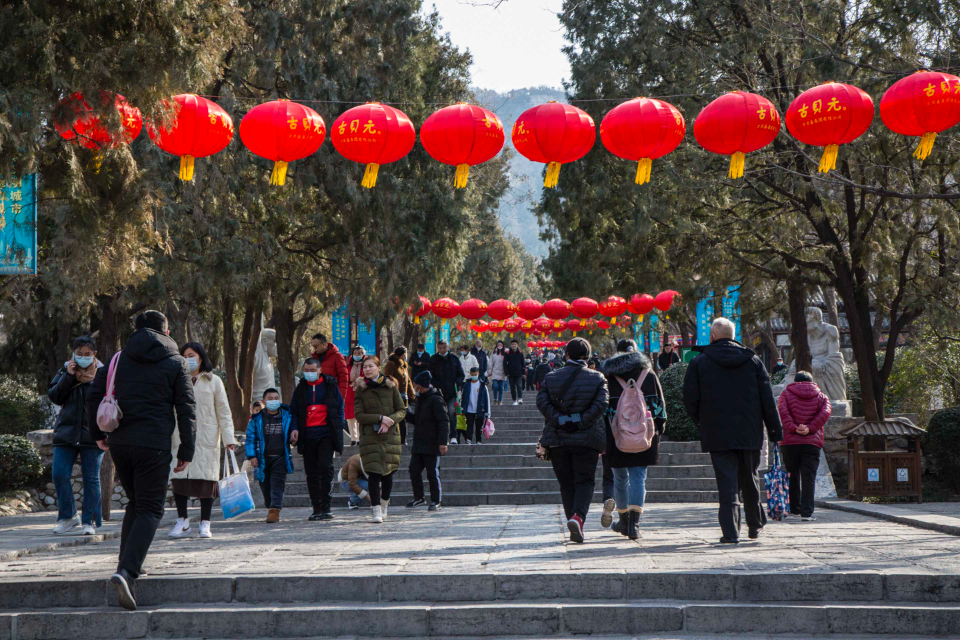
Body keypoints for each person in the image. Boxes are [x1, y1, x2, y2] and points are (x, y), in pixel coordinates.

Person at [85, 310, 196, 611]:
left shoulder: (118, 359)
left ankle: (127, 563)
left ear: (136, 330)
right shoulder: (176, 362)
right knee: (150, 508)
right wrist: (187, 449)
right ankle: (127, 572)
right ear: (166, 331)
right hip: (154, 445)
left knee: (136, 503)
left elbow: (94, 395)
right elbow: (186, 407)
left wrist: (98, 433)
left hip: (120, 442)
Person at [682, 318, 782, 544]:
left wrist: (701, 420)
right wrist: (775, 431)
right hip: (749, 430)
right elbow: (767, 399)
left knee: (726, 482)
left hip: (716, 430)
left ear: (712, 336)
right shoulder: (754, 361)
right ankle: (755, 525)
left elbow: (690, 398)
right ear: (733, 335)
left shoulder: (700, 362)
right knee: (750, 476)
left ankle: (730, 532)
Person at [537, 338, 609, 544]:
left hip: (558, 438)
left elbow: (541, 401)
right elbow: (601, 403)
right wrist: (580, 421)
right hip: (586, 438)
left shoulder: (551, 377)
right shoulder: (598, 378)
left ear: (567, 355)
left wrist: (560, 419)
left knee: (566, 484)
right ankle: (578, 517)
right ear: (587, 357)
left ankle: (573, 521)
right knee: (585, 481)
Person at [168, 342, 236, 540]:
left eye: (191, 355)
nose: (188, 359)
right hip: (180, 436)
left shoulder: (213, 381)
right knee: (180, 480)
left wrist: (229, 438)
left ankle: (205, 523)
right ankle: (183, 522)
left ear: (200, 357)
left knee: (206, 483)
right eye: (184, 355)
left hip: (207, 437)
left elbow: (224, 412)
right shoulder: (176, 380)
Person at [601, 339, 667, 540]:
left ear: (617, 353)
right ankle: (634, 524)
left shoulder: (609, 375)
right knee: (639, 477)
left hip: (616, 435)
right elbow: (660, 406)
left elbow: (603, 405)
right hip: (644, 434)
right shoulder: (648, 373)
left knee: (620, 478)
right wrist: (659, 428)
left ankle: (623, 519)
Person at [49, 335, 104, 536]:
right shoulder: (65, 370)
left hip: (94, 433)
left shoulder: (103, 373)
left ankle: (89, 521)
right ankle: (68, 516)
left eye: (87, 354)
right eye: (79, 354)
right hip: (66, 432)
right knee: (59, 474)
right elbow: (55, 396)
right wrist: (69, 376)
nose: (83, 357)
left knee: (91, 479)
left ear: (94, 354)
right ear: (73, 354)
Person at [290, 357, 344, 521]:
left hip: (326, 434)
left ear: (320, 370)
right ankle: (316, 508)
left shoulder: (330, 386)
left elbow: (340, 407)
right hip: (308, 436)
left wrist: (339, 424)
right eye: (306, 370)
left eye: (313, 370)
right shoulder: (300, 389)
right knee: (311, 472)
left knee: (325, 468)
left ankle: (326, 507)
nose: (309, 373)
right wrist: (294, 428)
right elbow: (294, 411)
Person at [353, 355, 406, 524]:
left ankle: (384, 506)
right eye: (365, 367)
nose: (367, 370)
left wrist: (390, 421)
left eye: (370, 366)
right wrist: (380, 418)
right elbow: (359, 415)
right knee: (374, 474)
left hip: (390, 436)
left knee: (388, 474)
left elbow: (401, 410)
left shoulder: (391, 386)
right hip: (371, 437)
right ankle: (375, 510)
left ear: (378, 367)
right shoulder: (360, 389)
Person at [778, 371, 831, 521]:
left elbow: (782, 412)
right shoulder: (821, 396)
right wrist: (810, 428)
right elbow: (825, 412)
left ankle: (794, 509)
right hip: (812, 442)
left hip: (790, 441)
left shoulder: (786, 394)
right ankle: (807, 512)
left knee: (792, 474)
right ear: (811, 381)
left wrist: (793, 428)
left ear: (795, 381)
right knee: (809, 477)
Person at [246, 388, 296, 523]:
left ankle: (275, 510)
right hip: (263, 458)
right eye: (270, 398)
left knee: (277, 483)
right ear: (264, 401)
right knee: (265, 484)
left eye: (276, 398)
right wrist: (252, 456)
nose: (273, 401)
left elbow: (294, 430)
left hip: (281, 456)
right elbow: (250, 438)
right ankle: (270, 505)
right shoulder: (256, 420)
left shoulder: (287, 416)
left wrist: (294, 437)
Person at [406, 371, 449, 510]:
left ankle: (436, 500)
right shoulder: (421, 399)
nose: (414, 388)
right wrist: (406, 414)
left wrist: (443, 442)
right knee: (413, 470)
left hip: (432, 443)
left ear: (421, 385)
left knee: (432, 473)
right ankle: (419, 497)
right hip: (419, 443)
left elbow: (443, 421)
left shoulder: (436, 399)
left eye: (415, 385)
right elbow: (417, 420)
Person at [428, 340, 464, 445]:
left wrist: (457, 384)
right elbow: (429, 375)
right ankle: (441, 437)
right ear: (437, 348)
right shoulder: (433, 359)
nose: (442, 350)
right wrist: (436, 384)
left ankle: (453, 436)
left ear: (447, 347)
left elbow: (461, 374)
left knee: (452, 412)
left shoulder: (454, 359)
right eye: (440, 348)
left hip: (452, 392)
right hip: (438, 392)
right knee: (440, 414)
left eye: (444, 348)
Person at [384, 346, 414, 445]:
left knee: (403, 418)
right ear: (402, 354)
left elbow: (408, 380)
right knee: (403, 417)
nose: (407, 356)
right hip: (396, 395)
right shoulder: (392, 364)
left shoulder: (404, 365)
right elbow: (387, 378)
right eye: (405, 353)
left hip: (404, 395)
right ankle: (401, 441)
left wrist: (412, 393)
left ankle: (403, 440)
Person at [310, 333, 349, 399]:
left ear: (324, 344)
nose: (314, 349)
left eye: (316, 346)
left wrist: (341, 397)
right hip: (317, 395)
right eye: (313, 346)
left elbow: (343, 377)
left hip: (333, 395)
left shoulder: (337, 356)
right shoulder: (314, 358)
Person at [460, 366, 490, 444]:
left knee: (479, 427)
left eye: (475, 374)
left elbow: (487, 399)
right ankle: (468, 439)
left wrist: (488, 412)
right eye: (472, 374)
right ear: (470, 374)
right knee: (469, 426)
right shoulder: (466, 385)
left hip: (480, 409)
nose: (474, 376)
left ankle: (478, 440)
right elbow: (463, 397)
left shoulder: (482, 385)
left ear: (478, 374)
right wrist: (462, 408)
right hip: (469, 409)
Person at [344, 346, 365, 446]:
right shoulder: (348, 365)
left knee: (361, 415)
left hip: (362, 392)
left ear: (363, 354)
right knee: (350, 418)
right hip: (350, 393)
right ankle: (353, 438)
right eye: (355, 353)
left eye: (359, 353)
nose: (357, 355)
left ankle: (361, 438)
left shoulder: (366, 365)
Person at [505, 339, 526, 405]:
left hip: (519, 373)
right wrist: (506, 373)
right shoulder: (507, 353)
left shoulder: (520, 353)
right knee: (512, 388)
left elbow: (523, 364)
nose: (514, 345)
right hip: (510, 374)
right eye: (512, 344)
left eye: (515, 344)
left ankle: (520, 398)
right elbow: (504, 364)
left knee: (519, 386)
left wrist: (523, 373)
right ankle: (514, 400)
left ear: (517, 345)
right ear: (511, 345)